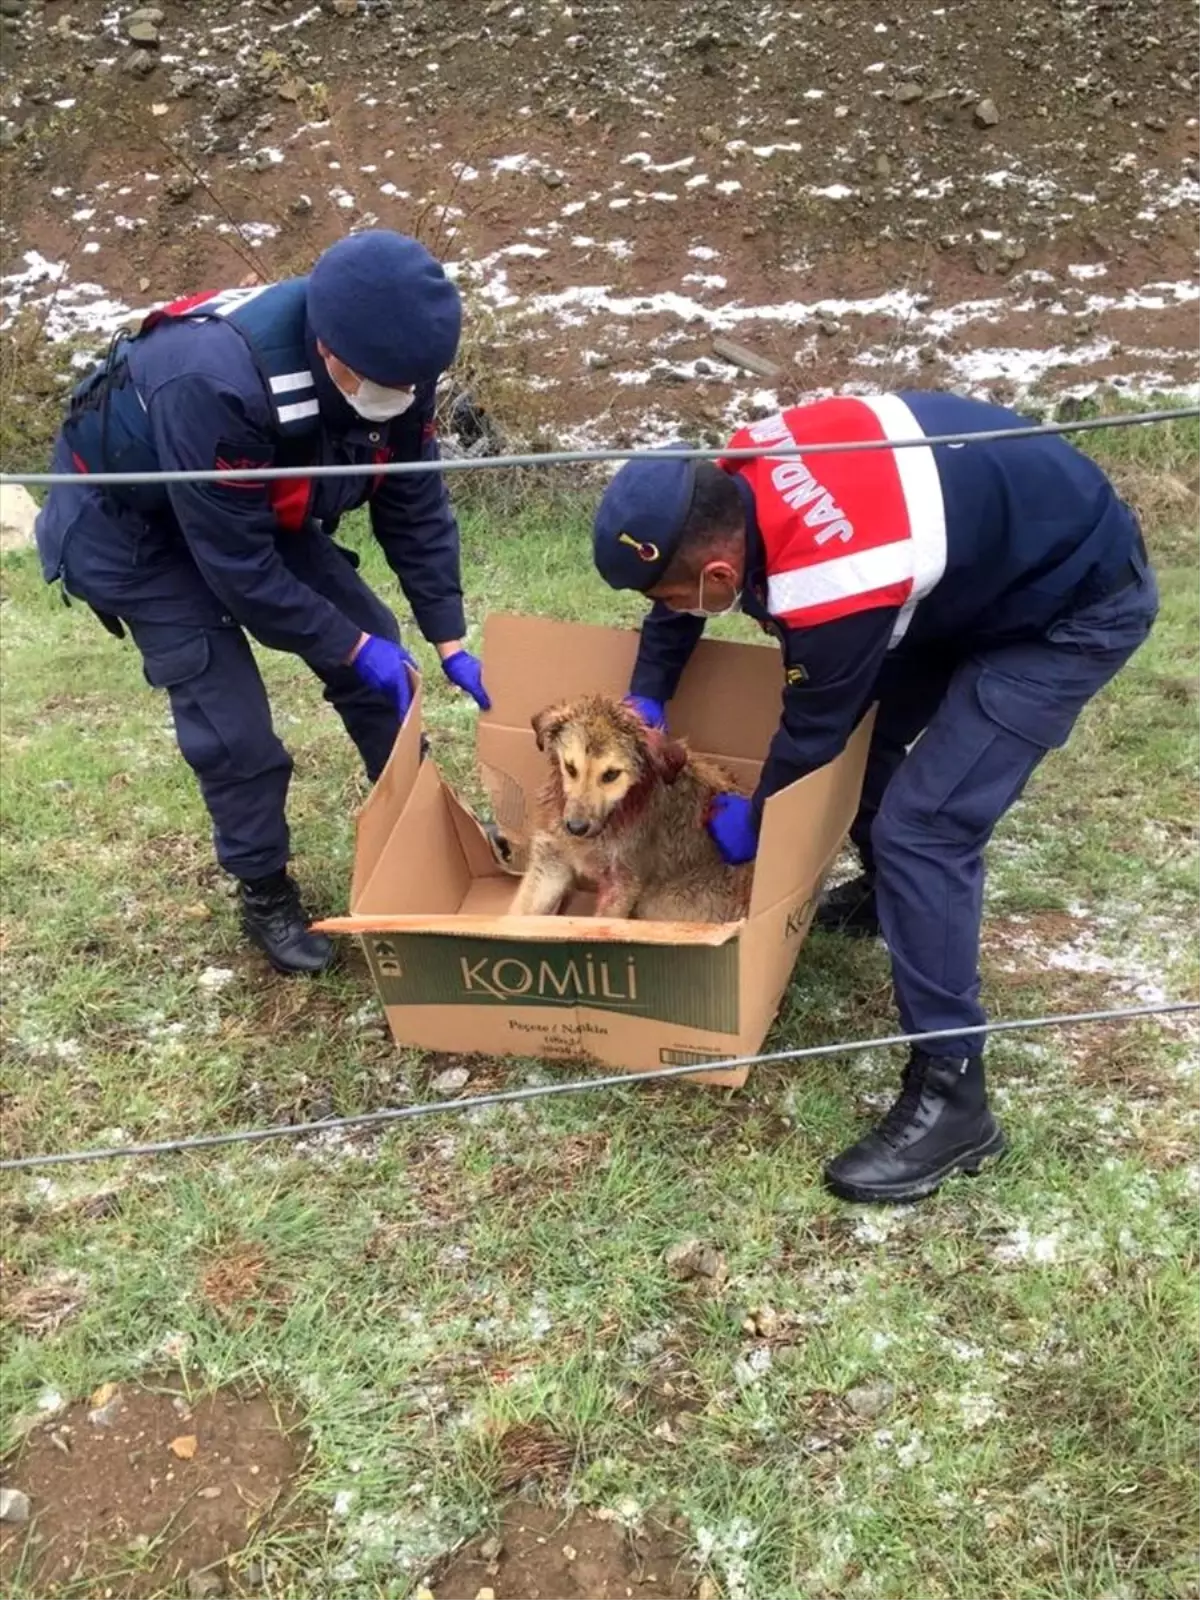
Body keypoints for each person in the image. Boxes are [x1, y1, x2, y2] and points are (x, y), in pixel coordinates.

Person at [591, 391, 1159, 1204]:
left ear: (720, 571)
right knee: (877, 746)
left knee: (924, 828)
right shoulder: (730, 470)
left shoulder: (832, 579)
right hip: (970, 568)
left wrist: (754, 824)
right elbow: (685, 589)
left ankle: (953, 1095)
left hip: (1069, 610)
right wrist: (647, 696)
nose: (669, 613)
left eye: (675, 598)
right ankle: (891, 899)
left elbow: (814, 733)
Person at [35, 229, 490, 976]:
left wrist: (447, 636)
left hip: (242, 504)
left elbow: (412, 499)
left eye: (410, 386)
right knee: (233, 722)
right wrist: (346, 647)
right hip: (133, 531)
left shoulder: (400, 364)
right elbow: (239, 571)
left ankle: (427, 842)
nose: (399, 400)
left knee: (382, 650)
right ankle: (264, 890)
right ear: (327, 345)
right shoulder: (211, 379)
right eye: (383, 383)